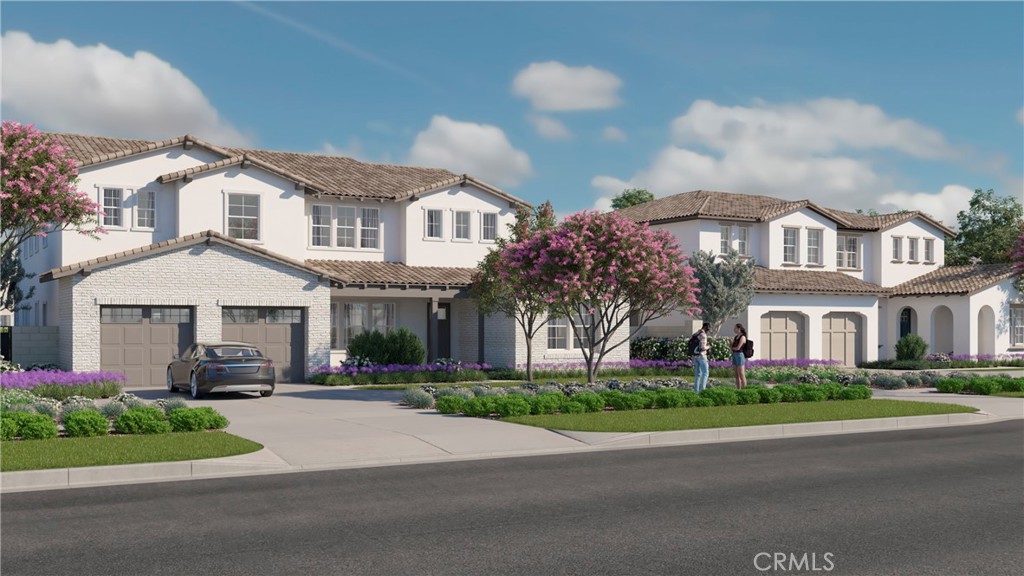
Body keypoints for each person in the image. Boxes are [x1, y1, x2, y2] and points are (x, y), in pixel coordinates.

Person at [693, 322, 711, 393]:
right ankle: (702, 390)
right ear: (706, 327)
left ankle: (696, 391)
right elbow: (702, 347)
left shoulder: (697, 333)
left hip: (695, 356)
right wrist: (708, 347)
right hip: (702, 356)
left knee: (697, 374)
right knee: (705, 373)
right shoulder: (703, 335)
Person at [731, 324, 748, 389]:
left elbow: (738, 348)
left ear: (739, 329)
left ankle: (744, 389)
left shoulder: (742, 337)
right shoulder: (736, 337)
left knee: (741, 374)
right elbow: (733, 347)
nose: (734, 329)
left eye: (735, 328)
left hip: (740, 355)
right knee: (736, 375)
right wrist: (731, 345)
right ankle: (738, 389)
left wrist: (732, 347)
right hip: (735, 354)